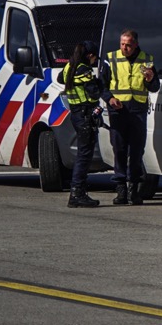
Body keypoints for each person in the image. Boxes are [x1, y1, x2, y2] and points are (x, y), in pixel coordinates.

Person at [100, 28, 158, 207]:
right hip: (118, 111)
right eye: (122, 44)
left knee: (136, 151)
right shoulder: (111, 58)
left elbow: (154, 87)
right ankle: (121, 190)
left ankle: (134, 190)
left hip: (138, 111)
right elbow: (102, 85)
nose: (125, 48)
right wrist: (110, 99)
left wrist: (150, 79)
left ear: (136, 44)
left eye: (128, 45)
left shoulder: (147, 60)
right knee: (119, 149)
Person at [59, 42, 103, 208]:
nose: (95, 61)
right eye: (94, 58)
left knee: (82, 154)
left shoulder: (69, 66)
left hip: (76, 114)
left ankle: (77, 193)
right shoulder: (85, 70)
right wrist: (99, 83)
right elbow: (94, 95)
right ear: (89, 55)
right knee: (84, 156)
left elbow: (59, 78)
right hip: (85, 114)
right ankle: (77, 193)